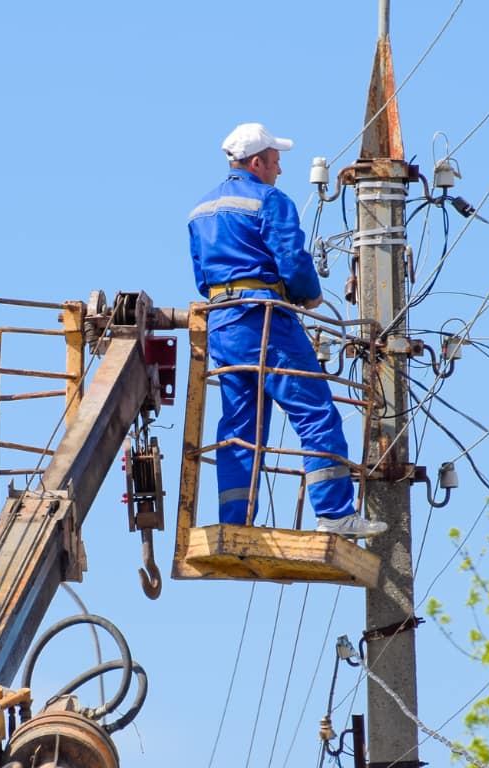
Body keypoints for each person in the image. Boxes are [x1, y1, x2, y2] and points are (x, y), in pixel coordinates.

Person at [187, 122, 387, 538]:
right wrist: (309, 295)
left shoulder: (201, 210)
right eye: (275, 162)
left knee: (240, 427)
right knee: (315, 411)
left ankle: (235, 522)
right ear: (256, 163)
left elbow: (202, 278)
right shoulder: (269, 200)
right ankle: (334, 514)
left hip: (222, 322)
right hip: (264, 320)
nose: (279, 170)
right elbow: (293, 260)